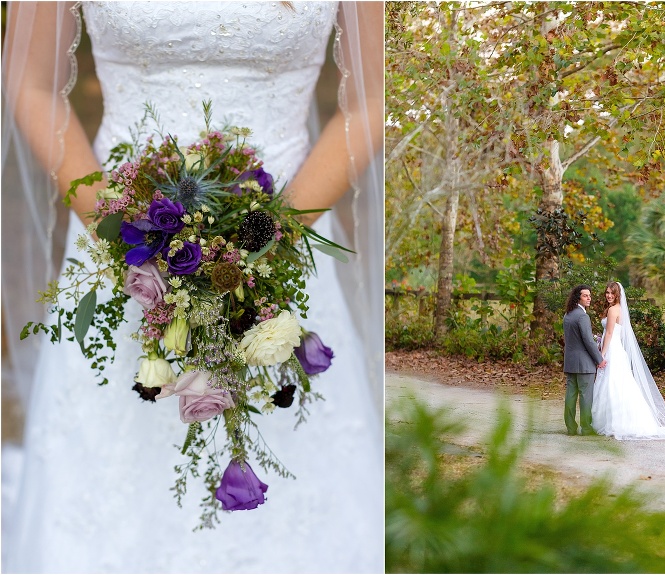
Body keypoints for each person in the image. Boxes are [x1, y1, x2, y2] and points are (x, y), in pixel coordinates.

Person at [1, 2, 383, 572]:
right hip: (123, 251)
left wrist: (267, 240)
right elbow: (29, 86)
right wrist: (121, 232)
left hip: (285, 246)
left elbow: (373, 97)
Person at [591, 282, 665, 440]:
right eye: (607, 293)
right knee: (620, 384)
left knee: (612, 383)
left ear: (618, 294)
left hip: (612, 350)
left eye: (612, 293)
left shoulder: (612, 310)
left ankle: (615, 422)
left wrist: (601, 355)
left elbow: (610, 333)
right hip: (617, 349)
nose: (609, 296)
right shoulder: (620, 310)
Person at [562, 284, 606, 436]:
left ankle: (571, 427)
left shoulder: (567, 314)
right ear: (578, 298)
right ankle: (586, 428)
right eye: (585, 296)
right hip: (584, 363)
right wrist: (599, 359)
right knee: (586, 396)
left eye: (589, 295)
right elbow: (588, 340)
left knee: (571, 395)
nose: (589, 298)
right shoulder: (582, 316)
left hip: (570, 361)